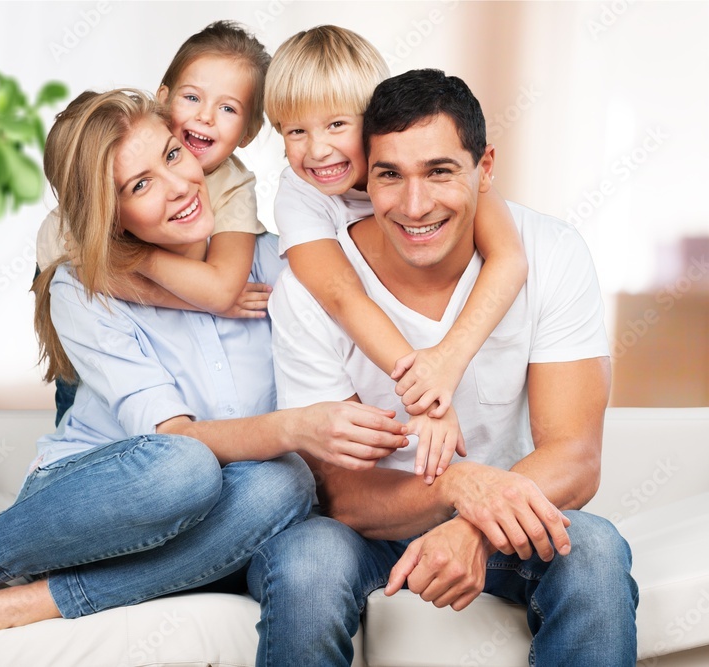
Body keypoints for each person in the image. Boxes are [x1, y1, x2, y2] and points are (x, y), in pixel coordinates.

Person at [0, 89, 411, 667]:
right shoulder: (86, 289)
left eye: (173, 155)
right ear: (110, 212)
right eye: (140, 186)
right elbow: (178, 439)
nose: (179, 188)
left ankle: (17, 608)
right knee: (185, 465)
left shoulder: (279, 260)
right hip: (100, 503)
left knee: (286, 485)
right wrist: (294, 426)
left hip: (235, 519)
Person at [248, 69, 639, 667]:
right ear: (363, 176)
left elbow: (576, 457)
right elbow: (342, 493)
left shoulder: (551, 252)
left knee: (593, 550)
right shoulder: (311, 290)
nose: (414, 205)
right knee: (308, 561)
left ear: (484, 169)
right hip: (368, 529)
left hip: (507, 514)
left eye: (439, 171)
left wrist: (475, 525)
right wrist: (456, 485)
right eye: (389, 176)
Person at [264, 26, 530, 481]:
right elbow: (341, 294)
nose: (317, 149)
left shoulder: (434, 161)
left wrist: (446, 362)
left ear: (372, 121)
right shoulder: (299, 194)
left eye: (336, 124)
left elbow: (510, 259)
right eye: (295, 131)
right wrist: (426, 394)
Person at [37, 21, 274, 425]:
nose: (205, 117)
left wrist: (137, 260)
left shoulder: (233, 186)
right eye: (193, 97)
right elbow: (75, 272)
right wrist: (148, 263)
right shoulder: (94, 191)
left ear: (249, 133)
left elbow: (220, 291)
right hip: (95, 349)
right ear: (163, 101)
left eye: (228, 108)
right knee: (84, 408)